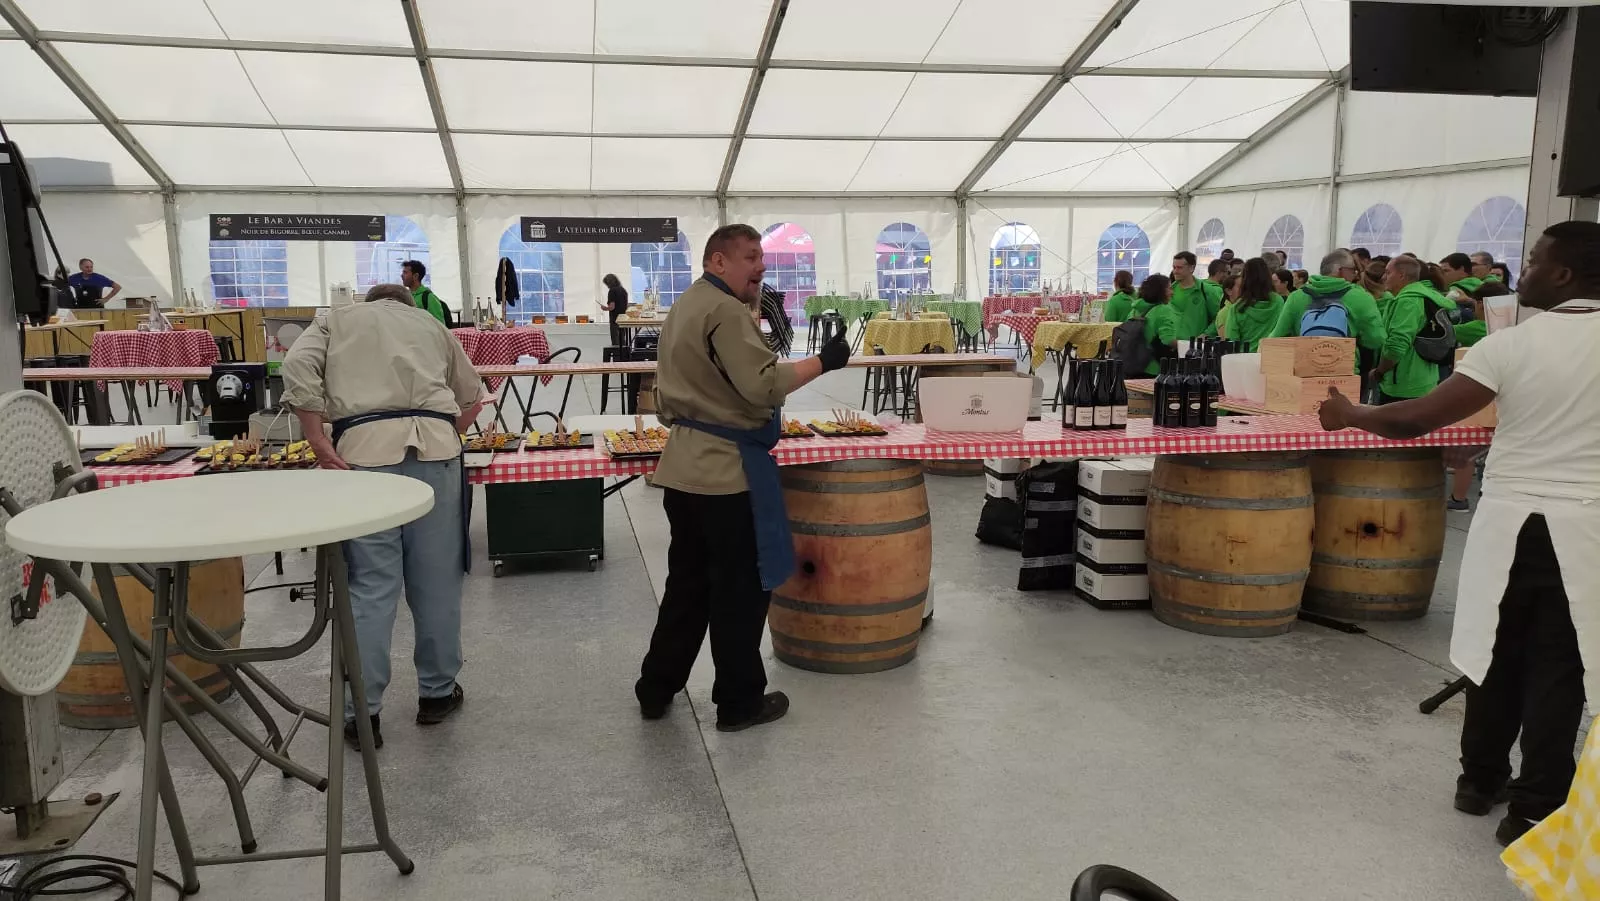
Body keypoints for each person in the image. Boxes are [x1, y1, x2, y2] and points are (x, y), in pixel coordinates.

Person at [1317, 220, 1600, 849]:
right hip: (1588, 532)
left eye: (1533, 260)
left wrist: (1348, 414)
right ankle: (1534, 807)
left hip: (1510, 525)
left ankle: (1478, 781)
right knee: (1562, 664)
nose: (1519, 271)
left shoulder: (1510, 347)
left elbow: (1415, 419)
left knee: (1494, 650)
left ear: (1563, 274)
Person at [635, 224, 852, 733]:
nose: (761, 266)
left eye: (762, 257)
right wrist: (826, 360)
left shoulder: (685, 305)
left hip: (684, 468)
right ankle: (738, 701)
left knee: (687, 585)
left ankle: (656, 687)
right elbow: (763, 385)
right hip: (726, 475)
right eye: (751, 257)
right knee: (739, 591)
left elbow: (668, 394)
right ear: (717, 262)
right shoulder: (727, 312)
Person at [280, 283, 487, 750]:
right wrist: (444, 430)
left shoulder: (336, 318)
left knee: (370, 586)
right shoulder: (432, 324)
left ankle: (362, 714)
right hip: (435, 456)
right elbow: (473, 395)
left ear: (370, 302)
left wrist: (317, 438)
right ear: (406, 304)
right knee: (437, 580)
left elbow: (296, 367)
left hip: (363, 456)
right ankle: (436, 693)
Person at [1269, 250, 1387, 380]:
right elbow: (1376, 340)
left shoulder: (1296, 297)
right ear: (1341, 271)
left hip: (1305, 374)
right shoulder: (1361, 297)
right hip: (1345, 375)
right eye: (1353, 270)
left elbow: (1276, 337)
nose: (1356, 274)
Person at [1370, 255, 1443, 405]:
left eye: (1388, 273)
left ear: (1401, 275)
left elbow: (1396, 344)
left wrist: (1380, 371)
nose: (1384, 277)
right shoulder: (1425, 295)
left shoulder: (1408, 301)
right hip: (1424, 378)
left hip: (1404, 385)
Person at [1221, 258, 1284, 352]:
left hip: (1244, 359)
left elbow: (1231, 343)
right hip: (1270, 357)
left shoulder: (1238, 307)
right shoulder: (1279, 301)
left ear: (1245, 279)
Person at [1131, 273, 1180, 376]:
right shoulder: (1163, 310)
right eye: (1169, 288)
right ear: (1160, 291)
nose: (1172, 292)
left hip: (1134, 364)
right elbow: (1168, 340)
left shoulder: (1135, 309)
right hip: (1154, 367)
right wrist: (1189, 346)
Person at [1169, 251, 1224, 339]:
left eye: (1179, 268)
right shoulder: (1170, 291)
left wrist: (1206, 335)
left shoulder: (1206, 290)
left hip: (1194, 346)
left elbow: (1219, 318)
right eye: (1174, 267)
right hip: (1171, 346)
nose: (1175, 271)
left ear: (1192, 268)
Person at [401, 260, 450, 327]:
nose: (402, 275)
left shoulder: (429, 297)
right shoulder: (405, 297)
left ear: (415, 276)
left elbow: (440, 326)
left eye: (405, 272)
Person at [603, 273, 629, 347]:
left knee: (615, 341)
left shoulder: (612, 291)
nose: (607, 286)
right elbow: (626, 305)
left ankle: (617, 357)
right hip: (623, 318)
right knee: (623, 340)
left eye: (607, 284)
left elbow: (612, 307)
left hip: (615, 319)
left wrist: (604, 308)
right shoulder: (623, 290)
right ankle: (624, 357)